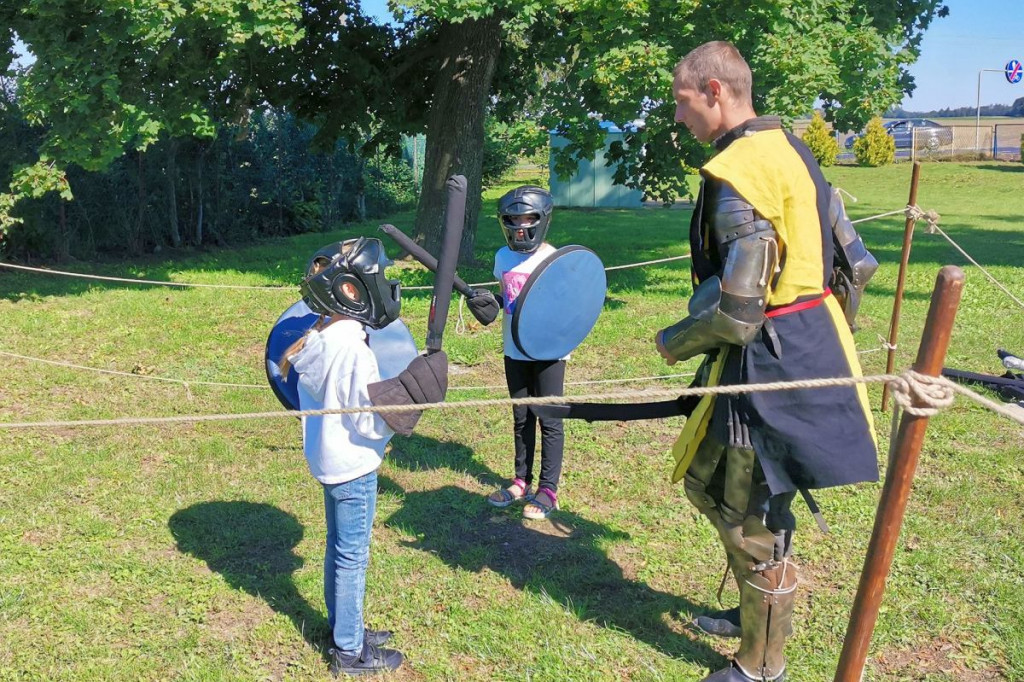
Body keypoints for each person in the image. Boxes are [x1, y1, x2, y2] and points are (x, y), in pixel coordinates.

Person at [655, 42, 878, 682]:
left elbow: (736, 309)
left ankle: (761, 666)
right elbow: (855, 266)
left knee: (748, 512)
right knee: (715, 486)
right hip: (806, 339)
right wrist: (824, 333)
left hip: (766, 359)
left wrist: (674, 341)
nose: (679, 115)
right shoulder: (794, 151)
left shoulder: (741, 171)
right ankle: (756, 611)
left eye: (683, 99)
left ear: (716, 92)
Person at [280, 237, 445, 677]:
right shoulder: (352, 346)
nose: (386, 282)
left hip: (328, 461)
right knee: (352, 556)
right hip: (352, 466)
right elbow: (369, 423)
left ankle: (343, 629)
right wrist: (411, 399)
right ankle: (350, 653)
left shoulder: (320, 337)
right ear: (352, 289)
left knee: (340, 549)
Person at [472, 186, 566, 520]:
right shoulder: (503, 257)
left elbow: (567, 307)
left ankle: (548, 490)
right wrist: (490, 303)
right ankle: (520, 481)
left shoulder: (554, 259)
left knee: (549, 418)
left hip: (548, 351)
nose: (520, 226)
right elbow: (507, 296)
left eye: (527, 218)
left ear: (541, 220)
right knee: (521, 416)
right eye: (512, 220)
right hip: (514, 349)